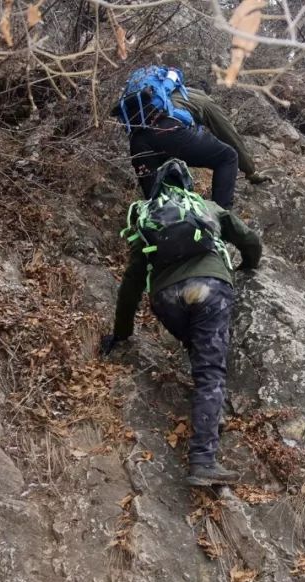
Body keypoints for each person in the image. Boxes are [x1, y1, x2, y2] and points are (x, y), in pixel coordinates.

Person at [100, 160, 262, 486]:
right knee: (210, 369)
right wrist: (249, 264)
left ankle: (210, 414)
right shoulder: (205, 207)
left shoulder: (148, 218)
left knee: (199, 352)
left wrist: (121, 333)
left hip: (166, 298)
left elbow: (131, 283)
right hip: (209, 287)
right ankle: (203, 459)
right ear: (188, 185)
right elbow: (249, 240)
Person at [111, 67, 268, 209]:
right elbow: (228, 135)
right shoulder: (201, 98)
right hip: (168, 131)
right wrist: (250, 171)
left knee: (158, 209)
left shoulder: (157, 97)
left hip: (137, 143)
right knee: (228, 157)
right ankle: (222, 219)